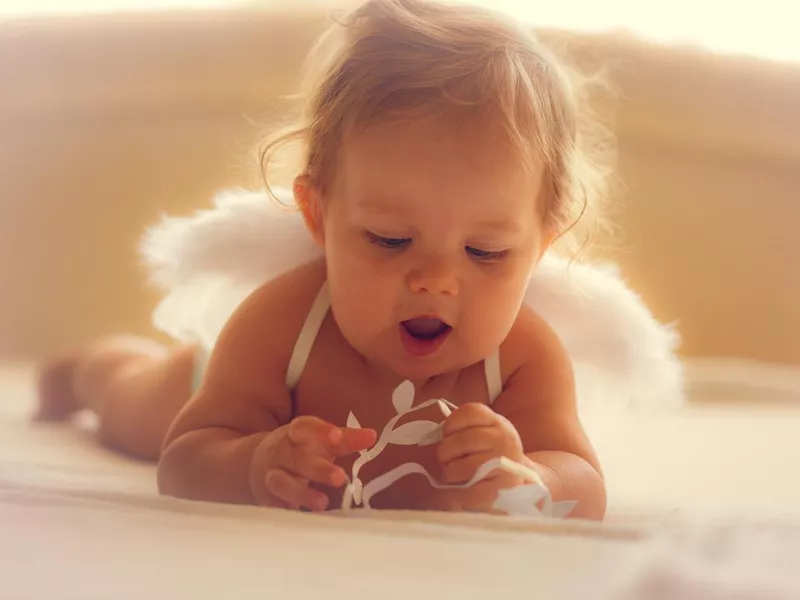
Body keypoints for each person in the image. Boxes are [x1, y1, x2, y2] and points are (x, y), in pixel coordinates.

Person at [35, 0, 612, 519]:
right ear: (317, 215)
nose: (435, 282)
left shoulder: (522, 359)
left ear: (540, 247)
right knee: (132, 407)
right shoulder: (281, 322)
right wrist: (255, 461)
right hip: (227, 388)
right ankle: (92, 370)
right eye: (389, 239)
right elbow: (184, 460)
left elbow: (583, 482)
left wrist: (531, 473)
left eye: (485, 251)